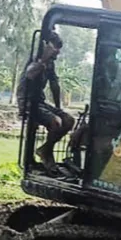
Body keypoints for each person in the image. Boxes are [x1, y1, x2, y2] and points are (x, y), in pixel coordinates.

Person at [16, 30, 74, 170]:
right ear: (47, 46)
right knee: (55, 122)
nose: (57, 52)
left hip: (40, 101)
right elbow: (30, 74)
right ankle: (45, 154)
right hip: (28, 101)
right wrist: (43, 60)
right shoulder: (36, 60)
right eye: (55, 48)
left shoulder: (51, 64)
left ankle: (46, 150)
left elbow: (54, 85)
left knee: (68, 120)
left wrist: (59, 108)